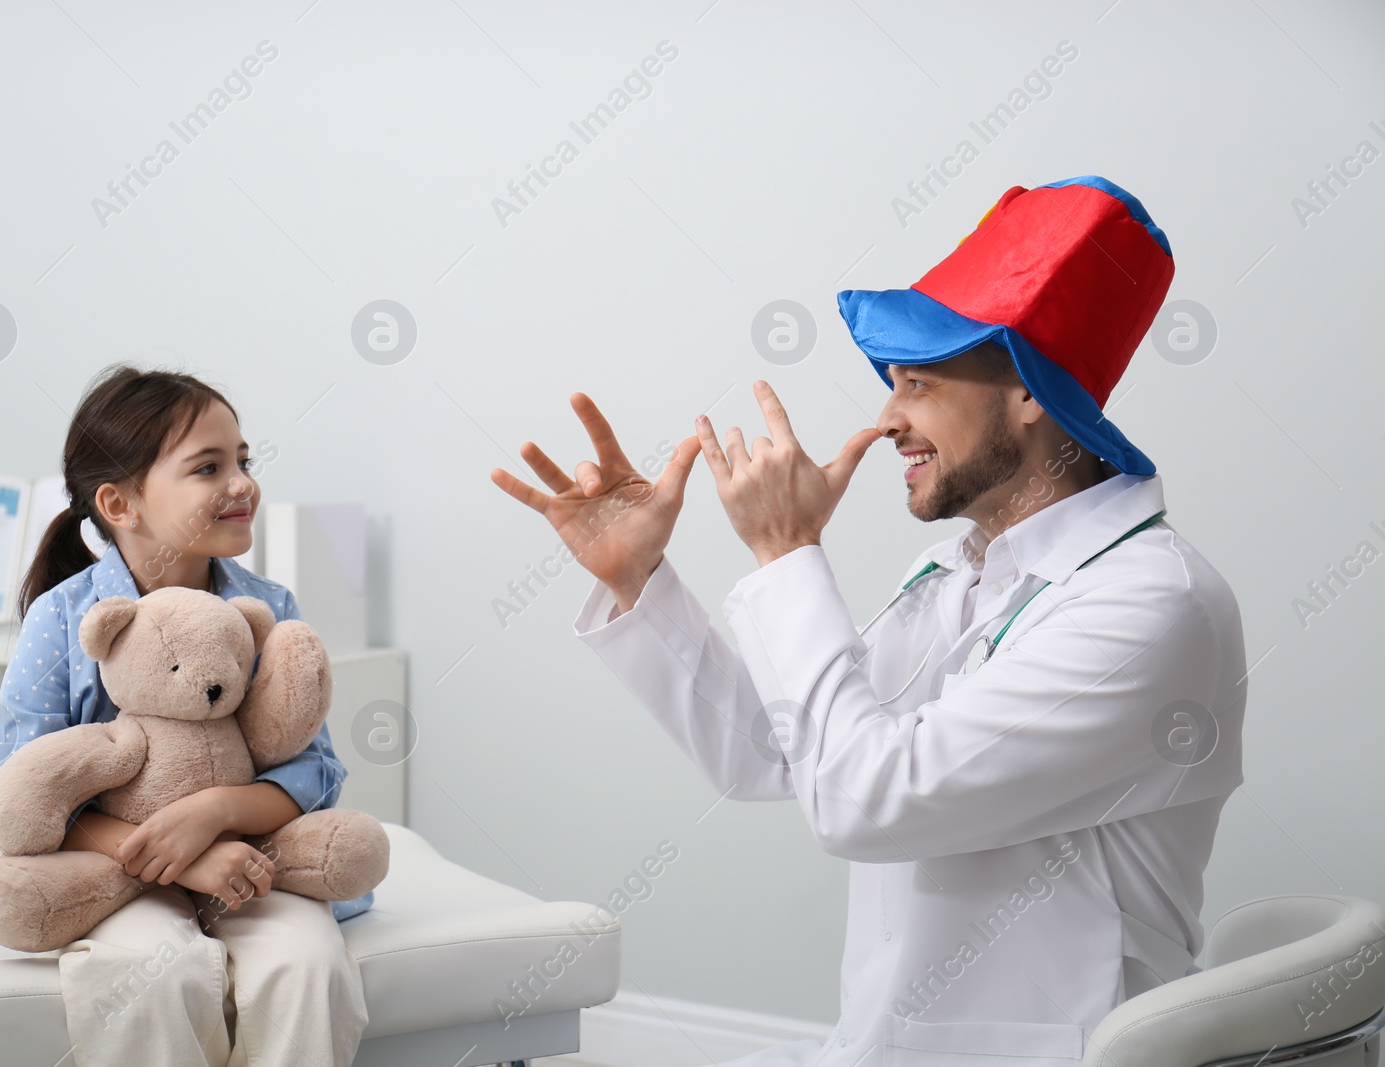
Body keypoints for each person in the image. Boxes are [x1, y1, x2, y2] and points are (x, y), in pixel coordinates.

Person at [491, 175, 1245, 1065]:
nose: (887, 419)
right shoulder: (955, 573)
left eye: (918, 382)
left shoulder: (1150, 604)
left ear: (1030, 391)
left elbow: (867, 801)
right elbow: (778, 752)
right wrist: (641, 580)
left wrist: (786, 551)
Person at [0, 364, 371, 1067]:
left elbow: (315, 768)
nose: (242, 483)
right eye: (207, 467)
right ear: (120, 503)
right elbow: (20, 787)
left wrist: (218, 810)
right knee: (154, 973)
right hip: (117, 869)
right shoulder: (63, 618)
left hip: (249, 862)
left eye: (243, 461)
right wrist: (175, 857)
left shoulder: (268, 608)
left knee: (308, 964)